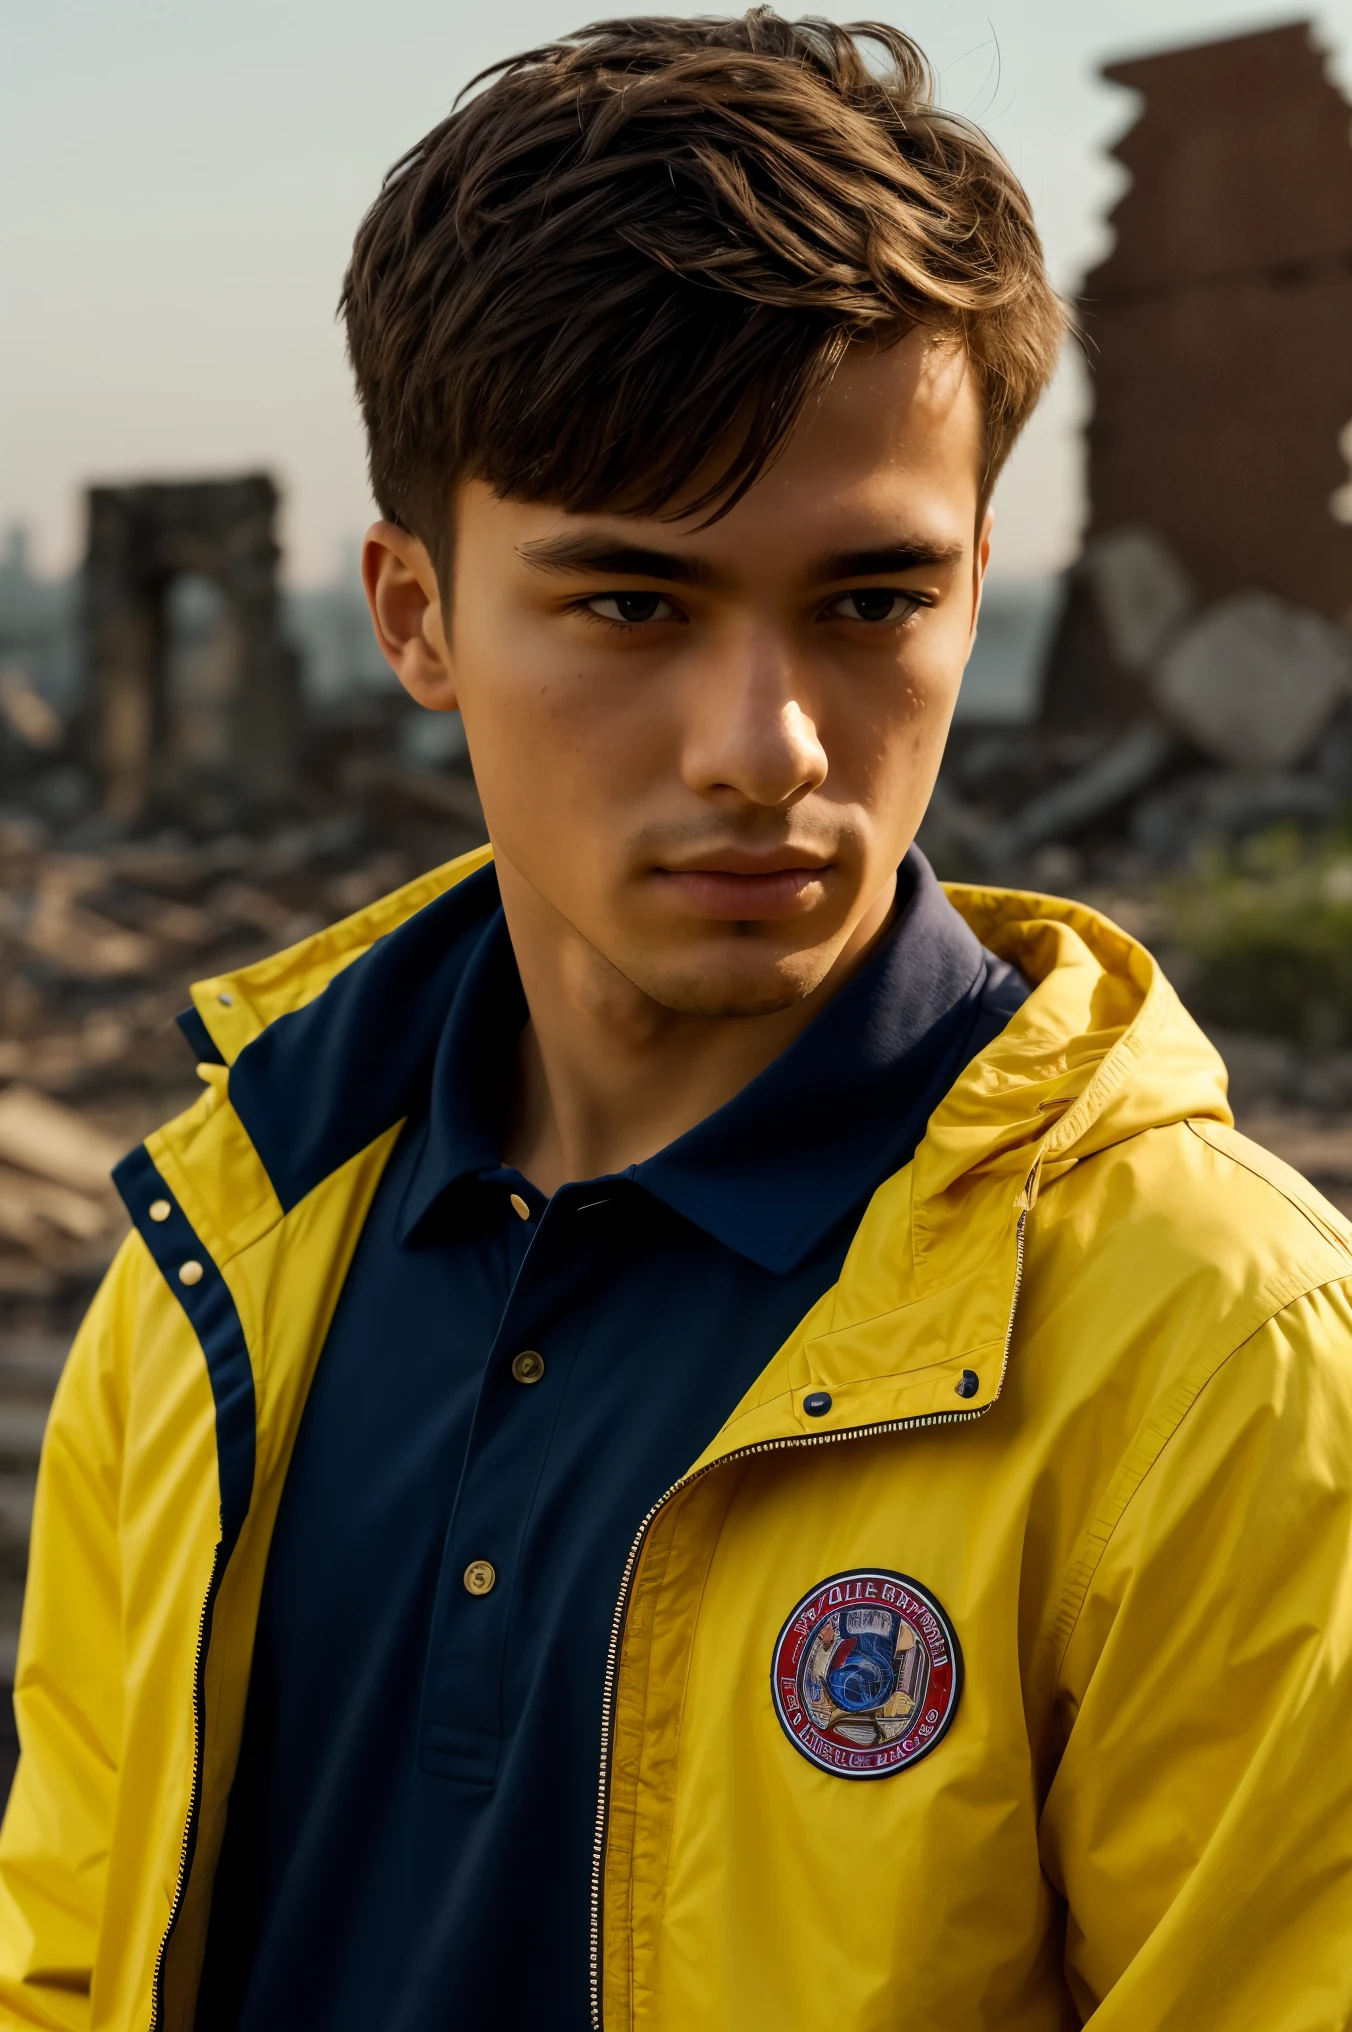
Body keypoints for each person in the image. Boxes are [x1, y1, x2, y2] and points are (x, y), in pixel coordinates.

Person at [2, 10, 1351, 2029]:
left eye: (869, 602)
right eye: (631, 604)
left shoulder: (1207, 1348)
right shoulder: (221, 1257)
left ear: (979, 580)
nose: (766, 747)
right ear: (414, 615)